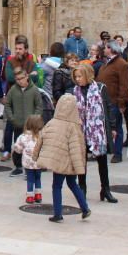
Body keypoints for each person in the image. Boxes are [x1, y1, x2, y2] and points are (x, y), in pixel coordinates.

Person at [33, 94, 91, 223]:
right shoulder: (75, 127)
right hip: (70, 163)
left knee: (57, 186)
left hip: (58, 162)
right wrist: (79, 167)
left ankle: (58, 214)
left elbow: (39, 141)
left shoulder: (51, 123)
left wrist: (35, 156)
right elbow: (77, 149)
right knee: (73, 184)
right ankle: (85, 208)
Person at [72, 63, 117, 203]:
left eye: (80, 76)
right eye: (76, 77)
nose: (78, 79)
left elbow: (109, 107)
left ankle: (106, 189)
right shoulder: (74, 91)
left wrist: (113, 126)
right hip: (81, 129)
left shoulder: (100, 88)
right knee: (82, 161)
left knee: (102, 160)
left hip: (97, 129)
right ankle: (82, 188)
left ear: (88, 75)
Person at [4, 63, 41, 177]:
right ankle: (18, 167)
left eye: (21, 78)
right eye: (17, 79)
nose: (19, 81)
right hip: (18, 124)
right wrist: (12, 118)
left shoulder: (34, 90)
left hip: (31, 126)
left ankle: (31, 169)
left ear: (27, 77)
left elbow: (39, 106)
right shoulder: (13, 90)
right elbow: (7, 104)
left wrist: (35, 119)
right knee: (18, 147)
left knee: (32, 148)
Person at [96, 41, 128, 162]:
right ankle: (105, 149)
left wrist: (121, 102)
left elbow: (124, 85)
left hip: (114, 101)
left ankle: (118, 153)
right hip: (103, 101)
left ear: (111, 49)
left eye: (105, 48)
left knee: (117, 127)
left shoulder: (121, 64)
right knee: (104, 127)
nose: (104, 50)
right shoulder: (107, 63)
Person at [13, 115, 45, 204]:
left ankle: (30, 196)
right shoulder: (42, 136)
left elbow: (17, 149)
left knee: (30, 179)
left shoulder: (23, 136)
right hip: (39, 162)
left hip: (28, 163)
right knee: (38, 178)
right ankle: (38, 195)